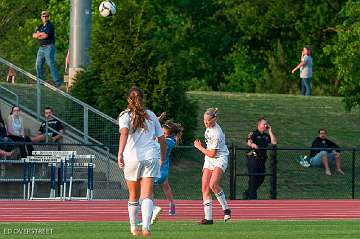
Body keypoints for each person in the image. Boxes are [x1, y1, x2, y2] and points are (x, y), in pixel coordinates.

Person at [117, 87, 166, 237]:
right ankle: (146, 227)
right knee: (147, 195)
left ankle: (133, 228)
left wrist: (120, 154)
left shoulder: (124, 115)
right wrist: (162, 157)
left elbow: (124, 133)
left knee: (133, 195)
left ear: (128, 100)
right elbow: (162, 139)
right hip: (150, 157)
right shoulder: (150, 115)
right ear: (142, 98)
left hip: (132, 158)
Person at [194, 108, 231, 225]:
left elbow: (213, 153)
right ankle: (208, 218)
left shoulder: (217, 133)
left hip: (220, 158)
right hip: (209, 159)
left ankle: (226, 209)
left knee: (213, 184)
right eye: (204, 120)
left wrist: (199, 147)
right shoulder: (208, 127)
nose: (205, 122)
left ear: (214, 120)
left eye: (208, 120)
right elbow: (209, 153)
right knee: (205, 187)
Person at [153, 120, 183, 217]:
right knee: (165, 185)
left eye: (164, 133)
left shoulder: (169, 141)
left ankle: (151, 208)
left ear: (169, 134)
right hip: (158, 165)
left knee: (148, 186)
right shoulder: (163, 139)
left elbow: (157, 140)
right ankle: (172, 204)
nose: (162, 134)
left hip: (161, 166)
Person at [243, 117, 277, 200]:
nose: (265, 125)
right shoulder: (254, 133)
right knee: (253, 178)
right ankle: (252, 199)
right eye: (264, 124)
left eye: (266, 124)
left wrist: (270, 131)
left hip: (262, 160)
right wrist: (252, 145)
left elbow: (274, 142)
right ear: (259, 125)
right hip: (253, 159)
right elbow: (249, 141)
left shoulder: (266, 136)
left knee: (261, 178)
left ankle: (247, 193)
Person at [32, 10, 62, 88]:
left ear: (48, 17)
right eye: (43, 16)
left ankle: (57, 82)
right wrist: (40, 34)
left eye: (46, 16)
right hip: (41, 48)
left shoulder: (50, 25)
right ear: (41, 17)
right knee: (38, 65)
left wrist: (39, 34)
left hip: (49, 47)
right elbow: (34, 35)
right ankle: (40, 81)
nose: (44, 17)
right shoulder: (40, 26)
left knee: (51, 64)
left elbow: (45, 36)